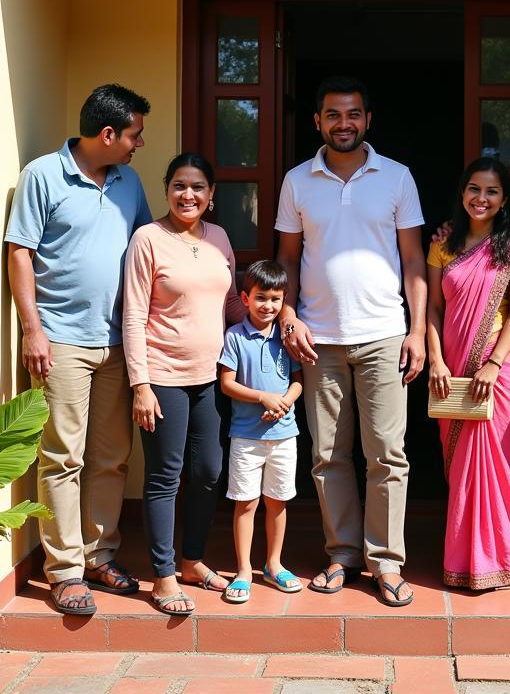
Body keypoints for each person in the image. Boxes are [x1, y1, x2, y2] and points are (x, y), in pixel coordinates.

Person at [275, 75, 427, 608]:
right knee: (327, 454)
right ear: (317, 121)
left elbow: (413, 260)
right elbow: (288, 259)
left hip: (384, 334)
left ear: (368, 119)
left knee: (387, 454)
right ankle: (342, 555)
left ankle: (386, 561)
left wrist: (416, 330)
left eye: (354, 114)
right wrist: (289, 314)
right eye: (334, 115)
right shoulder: (298, 180)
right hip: (319, 338)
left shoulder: (397, 177)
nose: (345, 123)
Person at [6, 83, 151, 616]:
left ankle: (99, 553)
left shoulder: (129, 181)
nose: (139, 144)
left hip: (118, 341)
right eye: (134, 135)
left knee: (112, 458)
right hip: (61, 341)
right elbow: (19, 250)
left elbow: (145, 250)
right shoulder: (43, 176)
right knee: (63, 457)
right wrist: (32, 329)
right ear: (108, 134)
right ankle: (64, 570)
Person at [123, 152, 244, 616]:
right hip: (163, 380)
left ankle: (192, 561)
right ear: (167, 189)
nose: (187, 194)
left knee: (210, 472)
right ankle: (164, 575)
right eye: (179, 185)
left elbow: (231, 303)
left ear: (211, 196)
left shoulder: (220, 239)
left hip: (210, 378)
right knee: (164, 477)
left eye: (197, 187)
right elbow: (133, 314)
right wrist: (141, 384)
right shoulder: (147, 240)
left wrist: (274, 325)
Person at [426, 157, 510, 590]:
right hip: (450, 369)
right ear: (462, 192)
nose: (481, 198)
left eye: (491, 191)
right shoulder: (444, 244)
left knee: (500, 465)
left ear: (504, 199)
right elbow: (433, 308)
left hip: (499, 368)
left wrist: (491, 364)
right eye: (474, 189)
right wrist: (435, 359)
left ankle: (498, 560)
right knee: (461, 467)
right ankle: (462, 561)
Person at [218, 260, 304, 605]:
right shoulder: (235, 337)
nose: (268, 306)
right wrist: (261, 397)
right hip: (246, 436)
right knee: (246, 503)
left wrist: (283, 402)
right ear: (245, 298)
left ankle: (273, 564)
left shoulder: (287, 337)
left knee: (277, 501)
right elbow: (226, 384)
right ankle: (243, 570)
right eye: (261, 298)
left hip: (284, 434)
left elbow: (298, 383)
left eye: (276, 299)